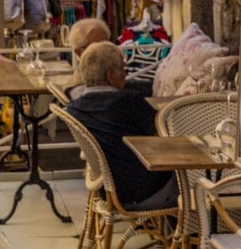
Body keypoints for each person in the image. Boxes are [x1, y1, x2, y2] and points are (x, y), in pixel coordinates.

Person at [65, 42, 176, 211]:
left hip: (105, 189)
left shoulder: (74, 108)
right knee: (196, 177)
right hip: (144, 191)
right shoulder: (128, 102)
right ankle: (199, 231)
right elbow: (167, 131)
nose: (125, 75)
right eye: (123, 70)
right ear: (111, 76)